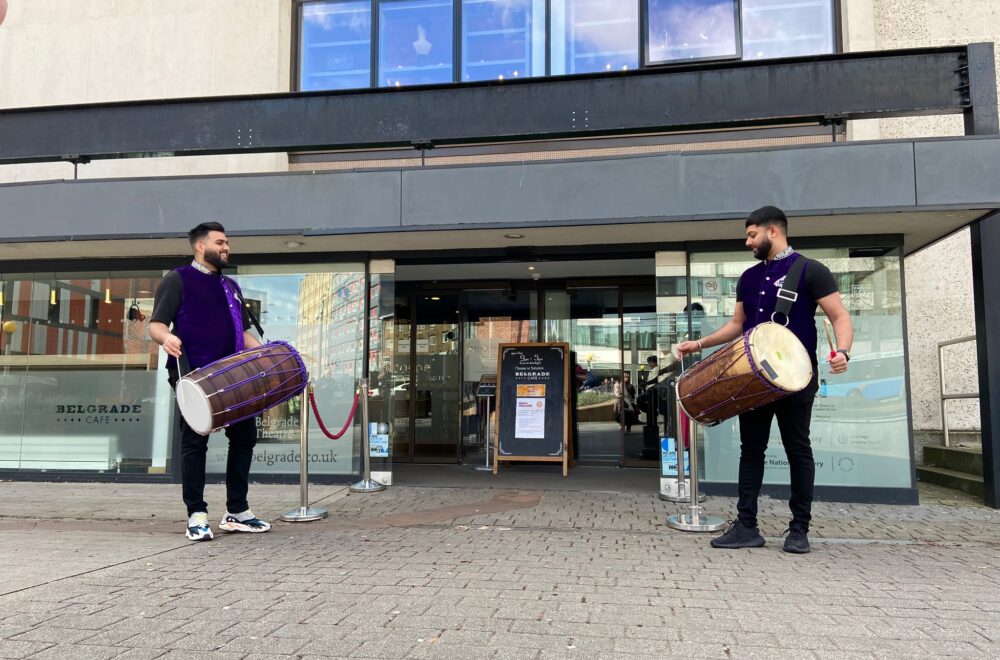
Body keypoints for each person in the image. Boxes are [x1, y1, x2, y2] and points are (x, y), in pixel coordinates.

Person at [675, 206, 852, 554]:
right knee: (751, 450)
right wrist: (698, 344)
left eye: (752, 234)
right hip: (752, 378)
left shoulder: (811, 270)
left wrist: (843, 351)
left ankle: (799, 530)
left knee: (798, 449)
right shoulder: (749, 277)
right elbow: (737, 326)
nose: (747, 241)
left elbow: (839, 315)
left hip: (796, 379)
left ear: (773, 231)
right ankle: (746, 526)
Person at [150, 222, 271, 542]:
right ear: (200, 247)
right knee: (194, 444)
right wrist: (167, 338)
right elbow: (156, 325)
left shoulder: (231, 286)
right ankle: (196, 514)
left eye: (228, 242)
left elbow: (242, 334)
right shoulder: (177, 279)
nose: (227, 247)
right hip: (194, 375)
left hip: (233, 376)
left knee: (244, 438)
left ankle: (237, 511)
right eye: (220, 242)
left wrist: (269, 354)